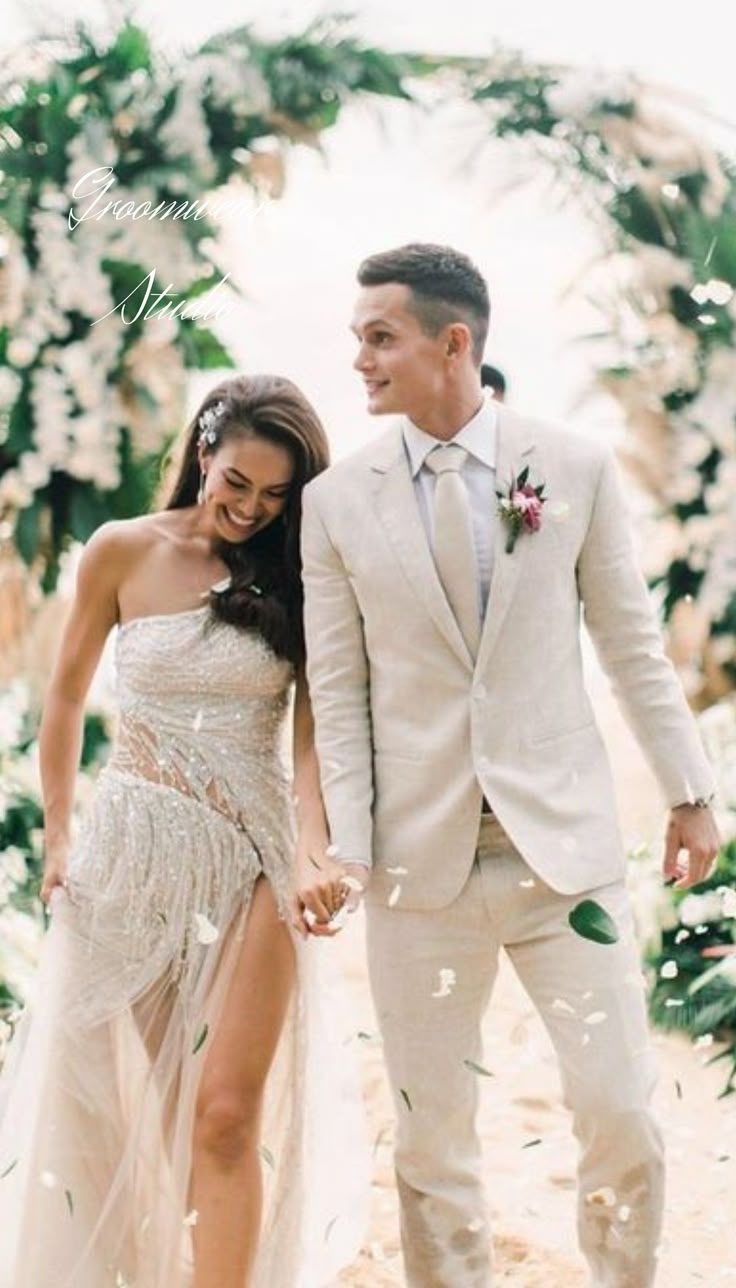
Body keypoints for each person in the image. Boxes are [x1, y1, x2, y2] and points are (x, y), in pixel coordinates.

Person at [299, 243, 721, 1287]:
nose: (358, 359)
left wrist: (689, 790)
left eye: (379, 336)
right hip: (416, 867)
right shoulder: (335, 500)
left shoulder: (570, 467)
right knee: (431, 1138)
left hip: (561, 859)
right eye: (357, 337)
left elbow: (630, 643)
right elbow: (339, 691)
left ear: (455, 343)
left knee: (619, 1108)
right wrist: (346, 844)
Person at [0, 374, 369, 1288]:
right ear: (205, 453)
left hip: (251, 859)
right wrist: (56, 841)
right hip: (131, 856)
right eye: (237, 481)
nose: (251, 508)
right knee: (170, 1107)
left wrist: (315, 849)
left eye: (276, 495)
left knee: (225, 1115)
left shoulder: (301, 577)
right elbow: (64, 698)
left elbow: (313, 741)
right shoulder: (121, 551)